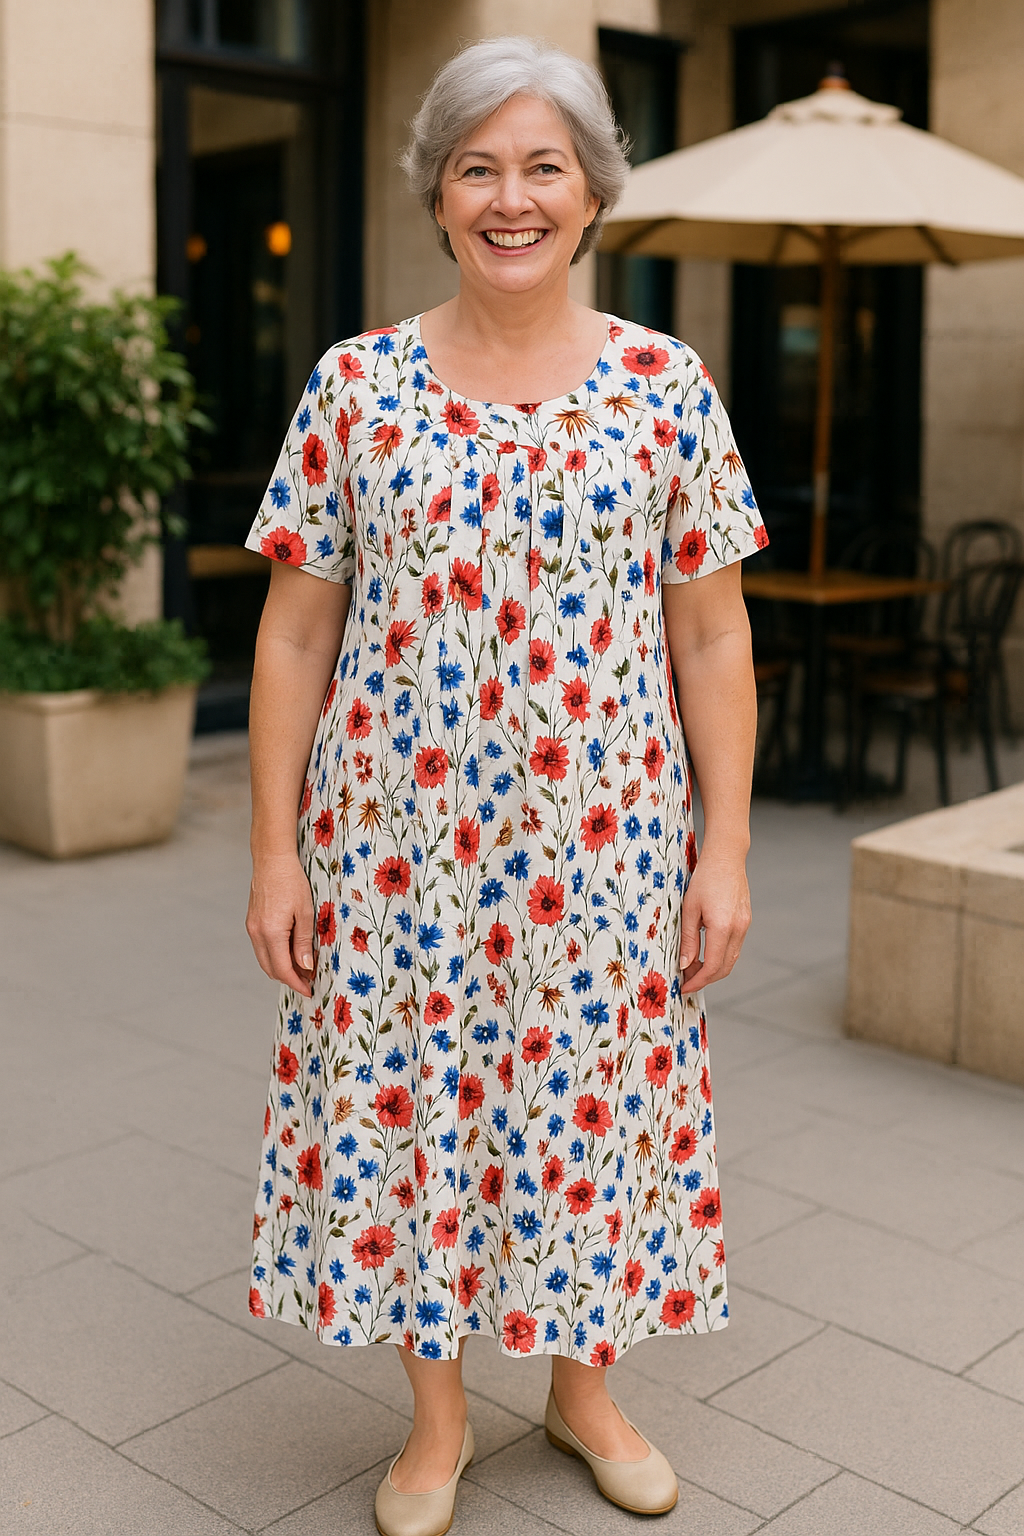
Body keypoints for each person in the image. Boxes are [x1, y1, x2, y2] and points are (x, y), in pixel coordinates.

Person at [244, 34, 766, 1536]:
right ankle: (438, 1418)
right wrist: (274, 854)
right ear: (437, 195)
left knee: (593, 1111)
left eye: (545, 166)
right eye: (478, 168)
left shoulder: (668, 388)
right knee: (414, 1112)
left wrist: (725, 849)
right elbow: (292, 631)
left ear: (593, 194)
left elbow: (714, 634)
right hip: (394, 853)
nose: (512, 197)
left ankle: (584, 1393)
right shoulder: (356, 387)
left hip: (605, 854)